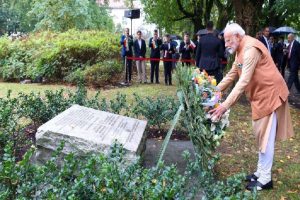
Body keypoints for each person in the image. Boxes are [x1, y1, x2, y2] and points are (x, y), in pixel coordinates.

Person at [210, 23, 294, 191]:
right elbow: (232, 74)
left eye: (228, 40)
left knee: (266, 138)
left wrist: (224, 106)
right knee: (261, 136)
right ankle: (260, 172)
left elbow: (243, 82)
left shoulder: (250, 50)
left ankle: (265, 179)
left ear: (237, 37)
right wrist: (212, 91)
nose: (225, 44)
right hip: (260, 97)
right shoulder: (240, 50)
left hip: (270, 95)